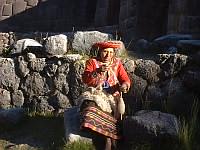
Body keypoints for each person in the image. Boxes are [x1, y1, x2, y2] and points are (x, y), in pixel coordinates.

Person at [79, 41, 131, 150]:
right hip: (96, 94)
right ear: (100, 52)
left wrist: (125, 86)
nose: (108, 55)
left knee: (117, 115)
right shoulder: (92, 62)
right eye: (105, 52)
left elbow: (125, 79)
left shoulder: (117, 63)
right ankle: (105, 135)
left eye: (111, 52)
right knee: (89, 107)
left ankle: (107, 136)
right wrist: (97, 71)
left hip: (112, 98)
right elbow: (85, 78)